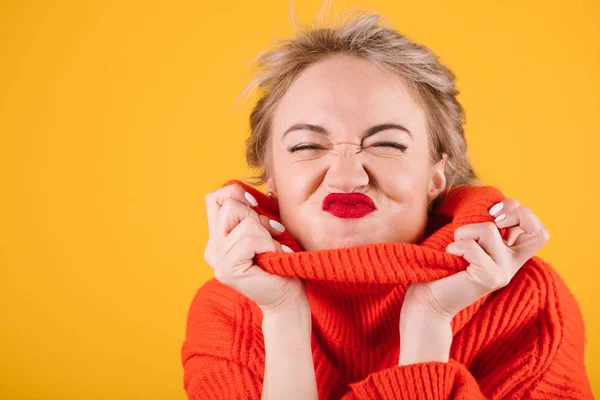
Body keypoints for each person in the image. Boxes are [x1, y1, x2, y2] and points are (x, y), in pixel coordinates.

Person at [181, 8, 593, 400]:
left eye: (387, 144)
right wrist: (283, 318)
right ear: (271, 177)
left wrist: (429, 318)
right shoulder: (229, 307)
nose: (347, 177)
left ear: (436, 175)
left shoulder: (524, 298)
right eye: (307, 145)